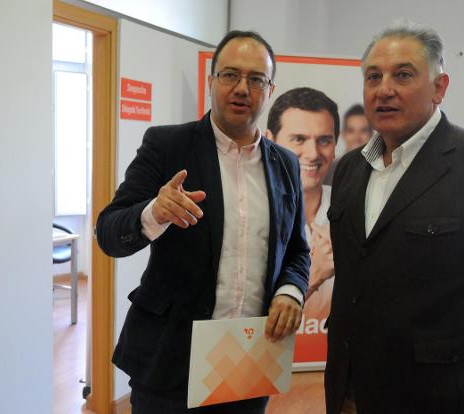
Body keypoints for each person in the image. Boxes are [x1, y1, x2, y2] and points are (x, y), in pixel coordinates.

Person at [325, 21, 464, 414]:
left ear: (439, 88)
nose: (384, 89)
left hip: (451, 396)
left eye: (404, 74)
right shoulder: (347, 170)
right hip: (353, 389)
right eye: (373, 76)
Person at [96, 30, 310, 414]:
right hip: (172, 360)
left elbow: (297, 250)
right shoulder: (167, 145)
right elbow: (109, 233)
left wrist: (290, 292)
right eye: (230, 75)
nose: (242, 88)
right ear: (212, 82)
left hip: (248, 358)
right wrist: (153, 213)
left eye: (256, 79)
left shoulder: (286, 164)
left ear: (270, 90)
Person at [266, 87, 338, 320]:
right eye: (299, 139)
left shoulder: (351, 208)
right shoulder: (248, 210)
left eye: (324, 140)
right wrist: (315, 273)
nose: (313, 153)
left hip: (333, 353)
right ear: (269, 141)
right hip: (267, 352)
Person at [323, 104, 372, 185]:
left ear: (371, 134)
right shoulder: (329, 170)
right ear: (342, 134)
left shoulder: (381, 171)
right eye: (351, 131)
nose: (357, 137)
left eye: (363, 130)